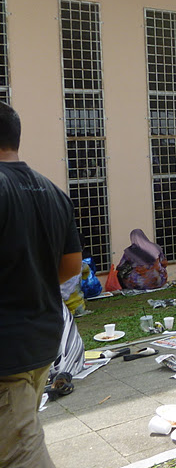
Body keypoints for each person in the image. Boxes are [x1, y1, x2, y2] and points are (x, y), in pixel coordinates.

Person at [0, 101, 82, 468]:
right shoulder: (52, 191)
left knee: (21, 453)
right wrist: (31, 282)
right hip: (42, 343)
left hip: (7, 355)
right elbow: (71, 266)